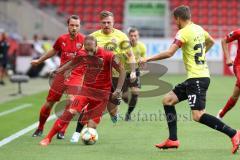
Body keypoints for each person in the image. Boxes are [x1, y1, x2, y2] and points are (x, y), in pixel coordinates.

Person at [140, 5, 240, 154]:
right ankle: (173, 139)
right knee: (168, 100)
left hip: (197, 79)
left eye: (175, 20)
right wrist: (200, 56)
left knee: (198, 115)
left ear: (179, 18)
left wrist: (147, 58)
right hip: (197, 77)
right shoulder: (198, 28)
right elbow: (211, 41)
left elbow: (169, 53)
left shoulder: (183, 33)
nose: (175, 23)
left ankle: (234, 133)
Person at [39, 35, 125, 146]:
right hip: (85, 91)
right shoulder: (82, 53)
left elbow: (122, 70)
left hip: (101, 96)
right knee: (70, 112)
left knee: (91, 126)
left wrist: (118, 89)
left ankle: (83, 132)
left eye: (91, 50)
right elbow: (72, 63)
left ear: (96, 45)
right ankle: (48, 138)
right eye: (87, 50)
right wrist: (58, 70)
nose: (89, 53)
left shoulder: (108, 55)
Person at [70, 10, 137, 143]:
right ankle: (79, 132)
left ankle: (114, 113)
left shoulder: (121, 36)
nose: (106, 25)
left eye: (109, 22)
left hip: (117, 78)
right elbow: (84, 55)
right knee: (89, 107)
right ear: (100, 23)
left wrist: (133, 71)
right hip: (98, 79)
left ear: (114, 23)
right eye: (104, 22)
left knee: (111, 110)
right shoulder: (93, 37)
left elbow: (130, 55)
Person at [31, 15, 85, 139]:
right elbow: (53, 51)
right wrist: (39, 60)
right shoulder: (62, 39)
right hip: (61, 75)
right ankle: (40, 128)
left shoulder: (84, 40)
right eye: (72, 25)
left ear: (80, 26)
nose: (74, 28)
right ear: (68, 25)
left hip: (76, 75)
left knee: (72, 101)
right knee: (49, 103)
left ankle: (62, 130)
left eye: (77, 25)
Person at [123, 27, 146, 121]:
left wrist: (142, 61)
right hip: (123, 72)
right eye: (131, 36)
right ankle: (129, 103)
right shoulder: (124, 46)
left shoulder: (142, 47)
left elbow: (143, 60)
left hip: (135, 70)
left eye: (135, 35)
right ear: (128, 37)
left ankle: (128, 114)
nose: (133, 37)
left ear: (138, 36)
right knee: (124, 97)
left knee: (135, 92)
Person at [216, 29, 240, 119]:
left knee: (235, 96)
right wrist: (228, 58)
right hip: (238, 66)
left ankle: (220, 114)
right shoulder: (238, 32)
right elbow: (224, 40)